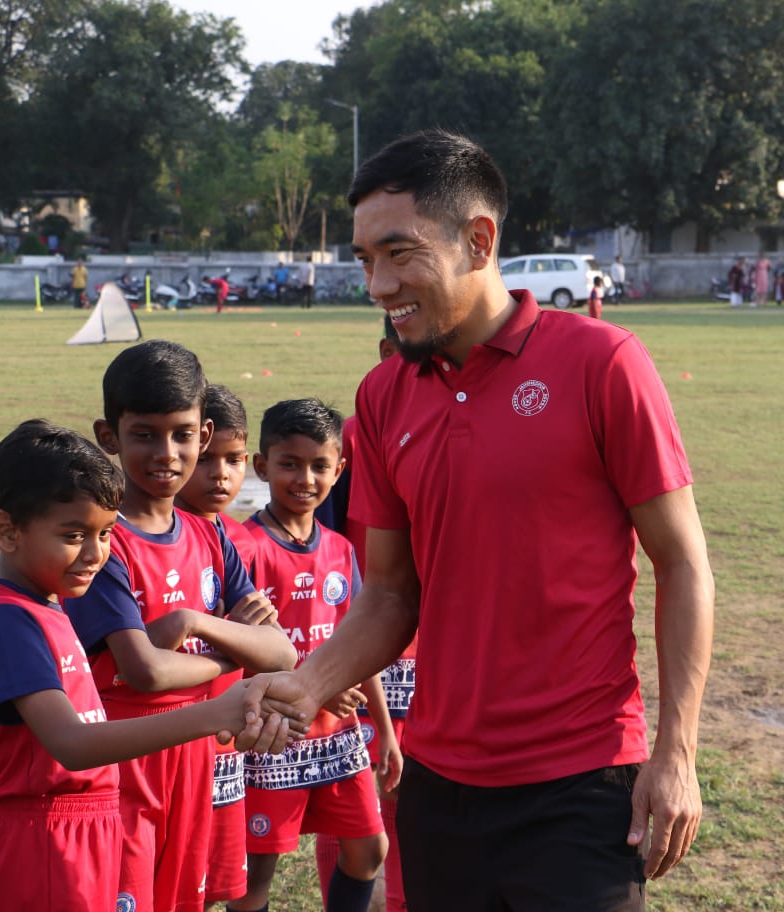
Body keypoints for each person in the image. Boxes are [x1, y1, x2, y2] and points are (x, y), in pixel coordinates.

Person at [241, 129, 715, 912]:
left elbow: (684, 563)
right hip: (438, 786)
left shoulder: (602, 363)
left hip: (580, 782)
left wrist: (678, 752)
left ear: (479, 239)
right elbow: (392, 596)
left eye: (399, 253)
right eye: (364, 260)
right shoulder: (383, 396)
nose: (378, 284)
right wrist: (308, 683)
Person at [0, 420, 289, 912]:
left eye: (106, 533)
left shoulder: (47, 605)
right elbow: (72, 744)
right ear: (7, 530)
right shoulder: (7, 617)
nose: (95, 554)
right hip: (43, 840)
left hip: (81, 829)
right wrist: (218, 712)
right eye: (73, 535)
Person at [63, 339, 299, 912]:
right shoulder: (103, 543)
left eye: (183, 434)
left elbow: (282, 653)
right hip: (125, 760)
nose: (167, 453)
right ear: (109, 435)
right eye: (145, 434)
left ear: (205, 432)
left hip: (196, 756)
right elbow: (143, 670)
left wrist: (193, 621)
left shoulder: (211, 535)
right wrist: (229, 648)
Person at [233, 398, 402, 912]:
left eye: (320, 466)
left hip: (339, 737)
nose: (305, 478)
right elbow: (238, 650)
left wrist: (386, 731)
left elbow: (361, 639)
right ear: (262, 467)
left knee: (369, 850)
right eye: (289, 464)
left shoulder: (340, 548)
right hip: (273, 735)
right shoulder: (246, 547)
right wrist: (319, 683)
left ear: (339, 470)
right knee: (257, 872)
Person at [316, 315, 414, 912]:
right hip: (364, 656)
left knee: (420, 798)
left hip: (439, 659)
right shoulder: (350, 441)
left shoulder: (472, 424)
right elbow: (318, 553)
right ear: (386, 352)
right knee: (355, 795)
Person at [173, 384, 259, 912]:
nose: (221, 475)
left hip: (225, 741)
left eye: (233, 460)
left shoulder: (231, 539)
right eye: (207, 461)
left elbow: (272, 644)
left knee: (218, 881)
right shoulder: (132, 537)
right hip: (166, 737)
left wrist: (218, 633)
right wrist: (229, 632)